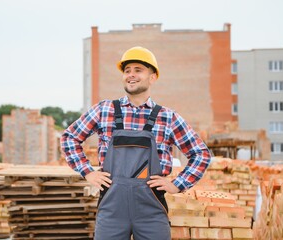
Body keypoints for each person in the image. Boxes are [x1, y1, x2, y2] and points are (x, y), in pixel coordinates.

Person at [60, 46, 211, 240]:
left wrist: (176, 185)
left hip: (151, 210)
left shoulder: (167, 117)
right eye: (127, 70)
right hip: (112, 210)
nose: (131, 75)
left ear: (152, 77)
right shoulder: (104, 110)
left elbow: (201, 154)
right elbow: (69, 137)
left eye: (138, 70)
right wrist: (88, 172)